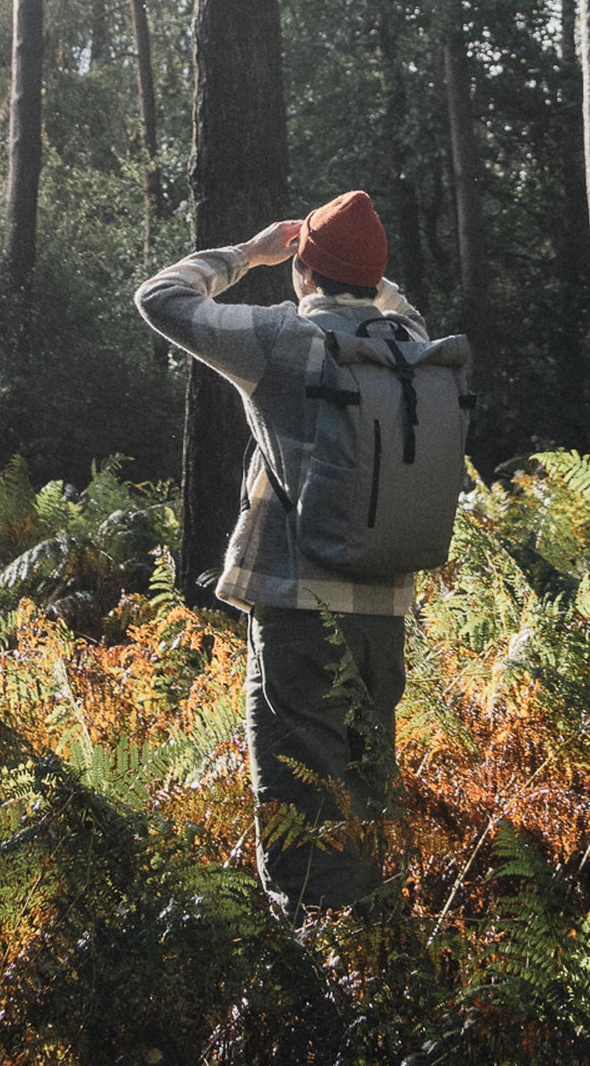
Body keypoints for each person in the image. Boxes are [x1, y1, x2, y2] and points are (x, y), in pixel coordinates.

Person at [135, 188, 425, 912]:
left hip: (300, 615)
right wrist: (364, 268)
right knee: (366, 805)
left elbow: (161, 296)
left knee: (302, 818)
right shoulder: (411, 346)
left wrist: (252, 251)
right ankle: (380, 981)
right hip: (386, 613)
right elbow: (392, 297)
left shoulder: (280, 340)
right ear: (375, 277)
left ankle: (322, 992)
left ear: (304, 269)